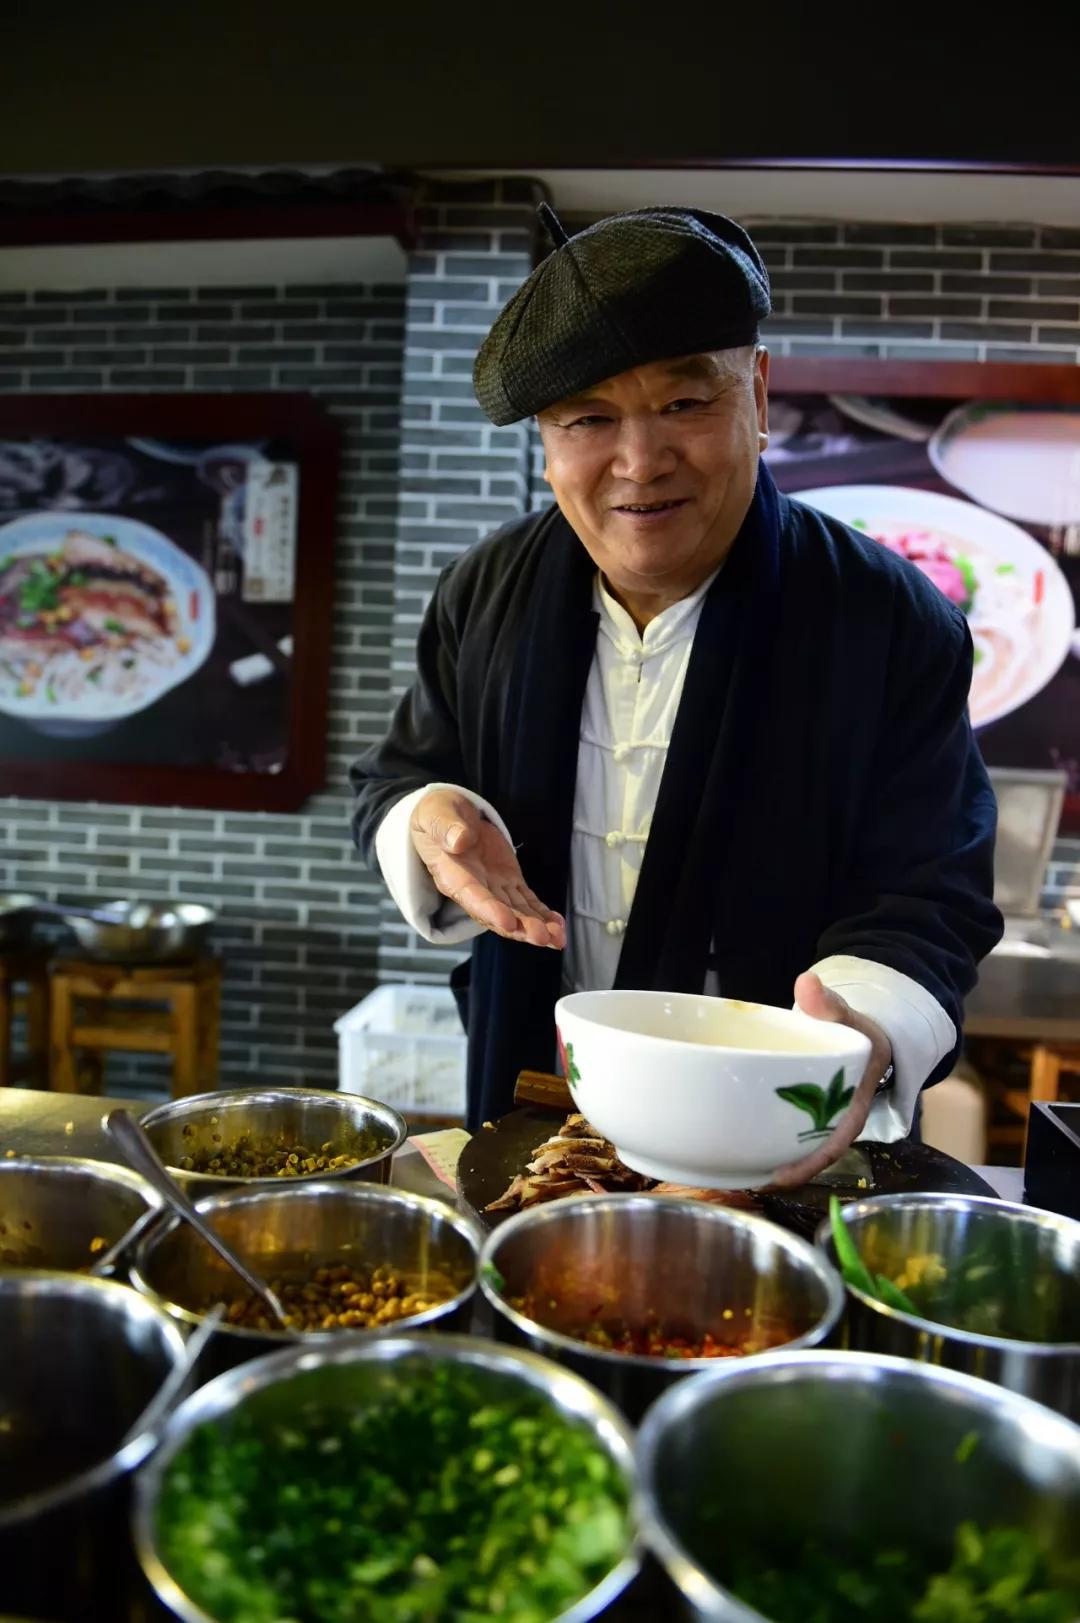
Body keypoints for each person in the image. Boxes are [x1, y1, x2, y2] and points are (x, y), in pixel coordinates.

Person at [350, 202, 1003, 1182]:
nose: (640, 461)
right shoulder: (482, 593)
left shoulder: (887, 618)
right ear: (546, 441)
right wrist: (429, 821)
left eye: (685, 403)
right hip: (536, 1105)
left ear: (759, 394)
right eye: (588, 419)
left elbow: (930, 891)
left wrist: (859, 1025)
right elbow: (397, 778)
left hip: (771, 1130)